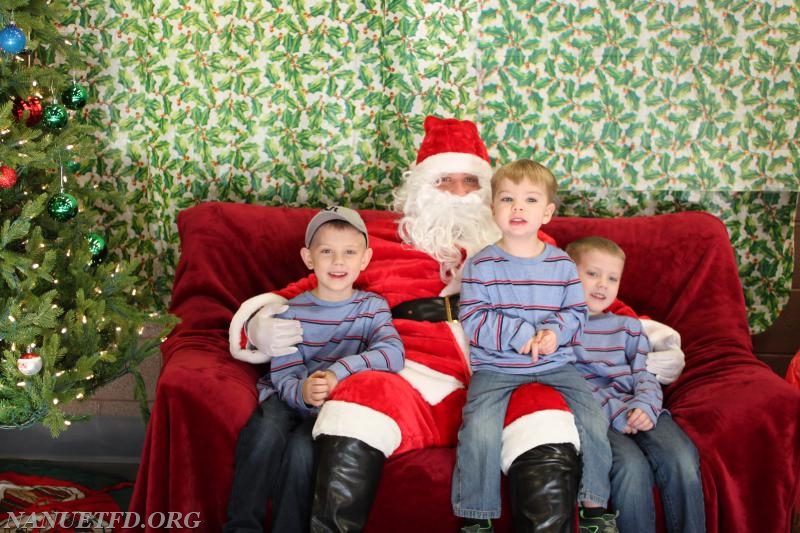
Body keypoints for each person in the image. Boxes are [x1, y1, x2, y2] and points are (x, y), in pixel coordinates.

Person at [230, 116, 686, 532]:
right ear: (421, 187)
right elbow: (308, 287)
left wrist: (652, 338)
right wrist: (260, 328)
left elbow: (587, 299)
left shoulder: (532, 243)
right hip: (415, 374)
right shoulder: (381, 241)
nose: (458, 191)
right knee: (363, 396)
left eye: (471, 181)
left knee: (546, 415)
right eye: (444, 180)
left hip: (512, 370)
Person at [453, 159, 616, 533]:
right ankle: (477, 517)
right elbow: (474, 318)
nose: (518, 208)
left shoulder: (560, 265)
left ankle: (594, 508)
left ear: (547, 213)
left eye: (530, 200)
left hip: (556, 364)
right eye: (507, 199)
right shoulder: (481, 265)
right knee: (478, 428)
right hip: (497, 367)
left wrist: (554, 333)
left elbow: (576, 312)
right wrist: (520, 334)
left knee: (593, 418)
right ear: (493, 209)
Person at [223, 206, 405, 533]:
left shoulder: (371, 308)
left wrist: (338, 373)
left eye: (349, 252)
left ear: (365, 259)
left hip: (334, 405)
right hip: (287, 392)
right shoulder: (289, 311)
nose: (338, 262)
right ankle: (241, 525)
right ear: (309, 258)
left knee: (302, 452)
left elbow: (392, 354)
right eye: (327, 252)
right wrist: (303, 392)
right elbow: (284, 370)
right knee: (265, 432)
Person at [566, 236, 705, 533]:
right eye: (592, 274)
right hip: (597, 417)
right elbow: (570, 384)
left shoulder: (628, 327)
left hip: (638, 405)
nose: (603, 284)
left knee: (681, 456)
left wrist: (645, 405)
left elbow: (645, 372)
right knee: (631, 467)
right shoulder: (558, 331)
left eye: (612, 277)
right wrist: (616, 411)